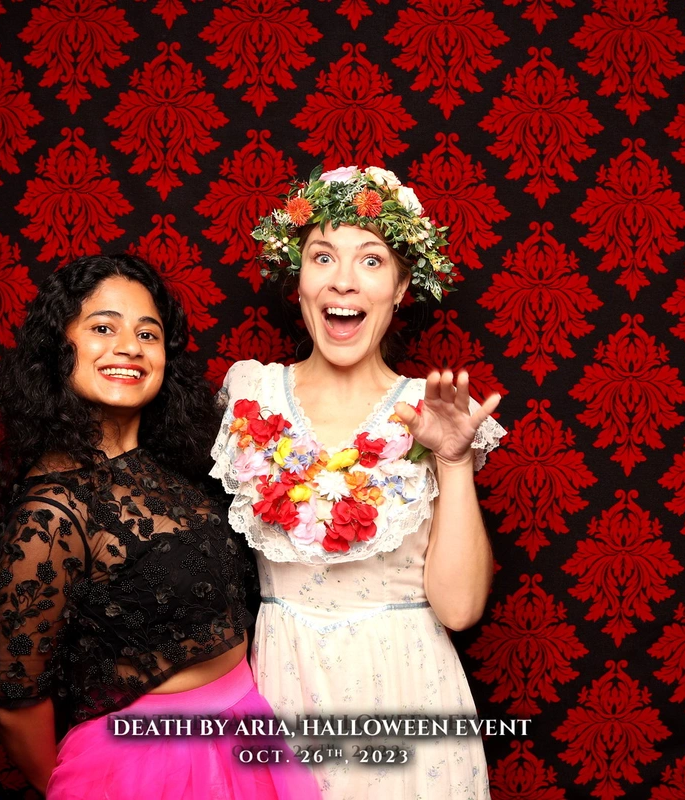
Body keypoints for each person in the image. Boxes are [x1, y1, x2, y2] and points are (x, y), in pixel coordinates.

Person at [212, 166, 505, 799]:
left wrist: (454, 463)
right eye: (323, 256)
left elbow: (459, 610)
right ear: (298, 280)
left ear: (401, 288)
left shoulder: (434, 412)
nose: (343, 279)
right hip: (280, 694)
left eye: (371, 260)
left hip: (408, 693)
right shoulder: (249, 394)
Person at [0, 254, 322, 799]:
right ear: (58, 348)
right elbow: (13, 698)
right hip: (148, 764)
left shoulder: (181, 466)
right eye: (102, 328)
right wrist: (80, 788)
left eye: (148, 333)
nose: (129, 347)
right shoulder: (50, 512)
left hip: (246, 729)